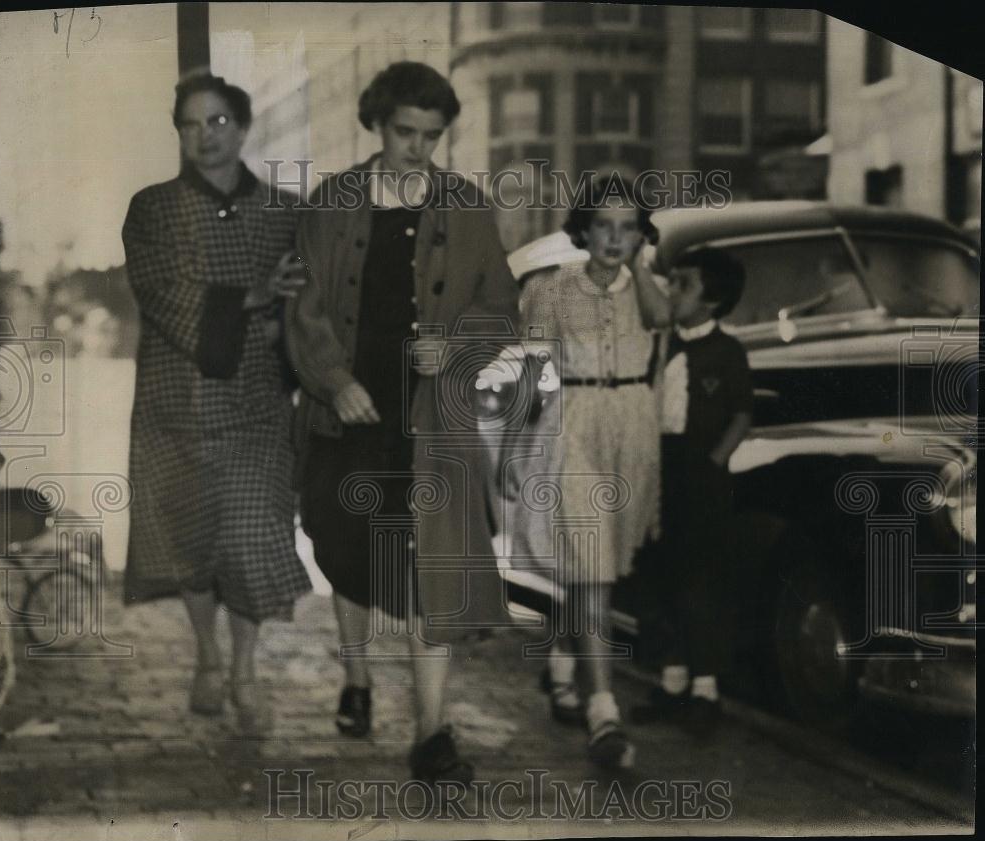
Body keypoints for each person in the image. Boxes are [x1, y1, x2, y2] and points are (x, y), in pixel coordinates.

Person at [285, 61, 520, 784]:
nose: (417, 148)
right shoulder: (332, 202)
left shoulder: (467, 206)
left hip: (428, 418)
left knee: (429, 569)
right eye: (404, 132)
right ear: (377, 125)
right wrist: (335, 379)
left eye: (431, 135)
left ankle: (432, 732)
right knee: (344, 543)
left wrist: (454, 344)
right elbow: (305, 307)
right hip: (348, 411)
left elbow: (501, 309)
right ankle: (356, 675)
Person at [122, 73, 313, 736]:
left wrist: (278, 319)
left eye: (218, 121)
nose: (205, 136)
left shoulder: (287, 211)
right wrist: (256, 297)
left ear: (242, 126)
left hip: (259, 405)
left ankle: (243, 670)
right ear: (178, 132)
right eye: (190, 124)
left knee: (252, 539)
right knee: (190, 543)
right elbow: (163, 293)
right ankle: (205, 655)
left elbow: (308, 309)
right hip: (176, 405)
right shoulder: (152, 209)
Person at [505, 176, 670, 768]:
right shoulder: (551, 291)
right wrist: (514, 454)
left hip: (630, 426)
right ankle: (605, 712)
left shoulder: (651, 288)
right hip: (570, 423)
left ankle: (562, 661)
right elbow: (533, 374)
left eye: (629, 227)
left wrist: (645, 265)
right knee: (592, 567)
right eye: (605, 225)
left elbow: (659, 317)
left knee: (598, 568)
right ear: (584, 228)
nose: (615, 238)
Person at [630, 247, 753, 738]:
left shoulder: (727, 351)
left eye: (683, 284)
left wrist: (714, 461)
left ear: (713, 299)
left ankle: (705, 689)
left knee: (698, 579)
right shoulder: (662, 345)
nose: (671, 292)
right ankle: (673, 681)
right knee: (660, 575)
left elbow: (742, 413)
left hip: (700, 476)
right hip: (662, 469)